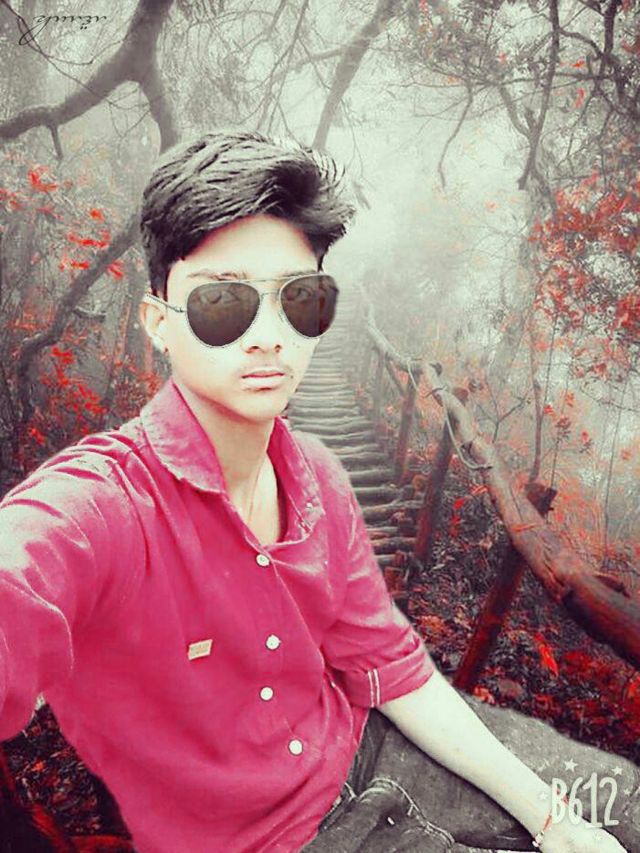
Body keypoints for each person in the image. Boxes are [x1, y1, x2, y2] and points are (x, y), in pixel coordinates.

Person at [0, 129, 634, 853]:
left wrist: (554, 818)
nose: (270, 335)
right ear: (158, 324)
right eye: (223, 302)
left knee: (629, 803)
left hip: (372, 747)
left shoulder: (318, 478)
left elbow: (390, 667)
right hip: (271, 841)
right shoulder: (104, 506)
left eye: (299, 298)